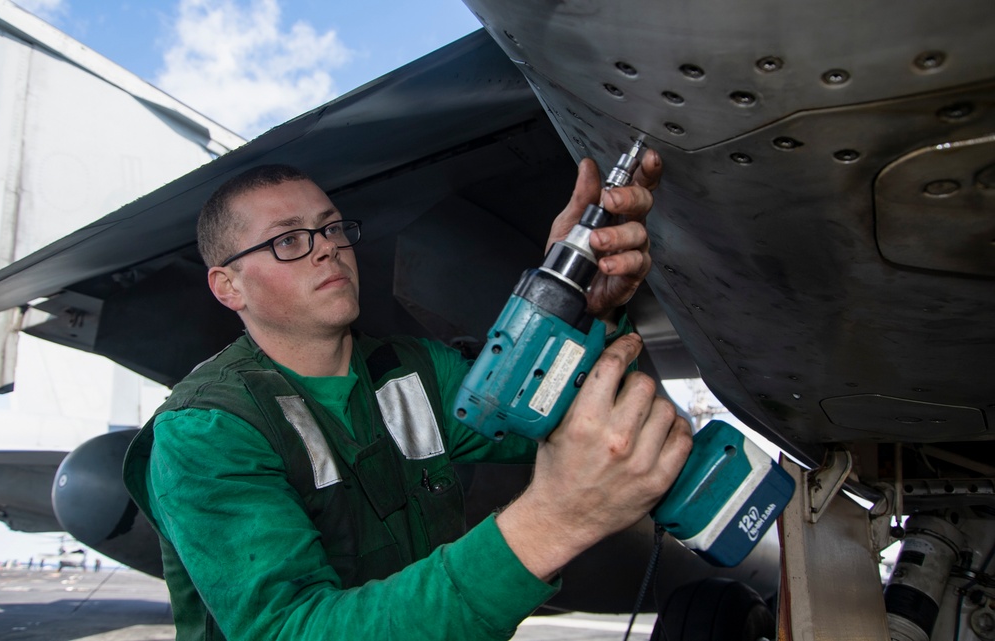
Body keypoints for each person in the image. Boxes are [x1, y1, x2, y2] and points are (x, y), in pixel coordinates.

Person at [123, 150, 692, 640]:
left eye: (332, 228)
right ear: (228, 287)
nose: (327, 249)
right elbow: (292, 629)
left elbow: (569, 419)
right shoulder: (205, 429)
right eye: (289, 240)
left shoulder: (415, 372)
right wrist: (551, 522)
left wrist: (579, 310)